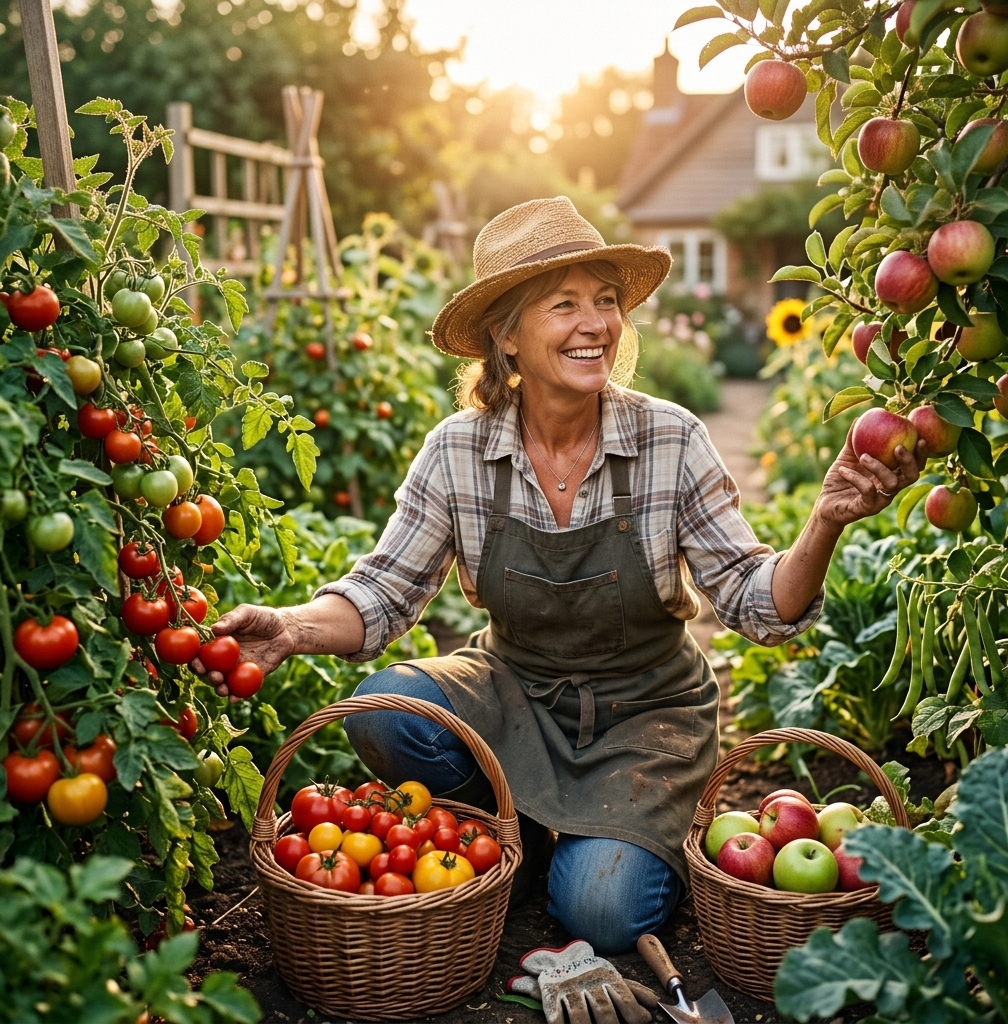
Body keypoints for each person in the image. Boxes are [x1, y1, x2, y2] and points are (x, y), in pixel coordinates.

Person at [196, 197, 924, 953]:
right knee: (385, 709)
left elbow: (756, 603)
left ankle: (627, 842)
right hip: (515, 690)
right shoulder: (458, 451)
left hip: (647, 714)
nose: (596, 324)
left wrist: (827, 520)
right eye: (564, 304)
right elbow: (383, 594)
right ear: (505, 336)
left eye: (606, 302)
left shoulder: (669, 438)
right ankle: (518, 834)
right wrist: (289, 627)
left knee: (601, 913)